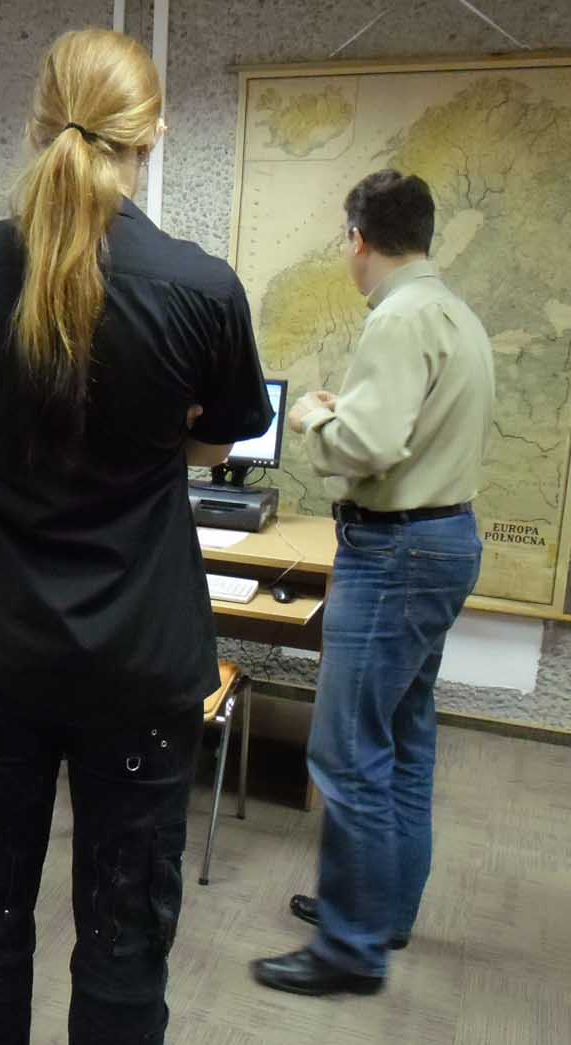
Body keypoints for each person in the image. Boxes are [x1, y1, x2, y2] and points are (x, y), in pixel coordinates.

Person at [0, 29, 273, 1045]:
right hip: (137, 657)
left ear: (35, 124)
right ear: (152, 133)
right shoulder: (199, 287)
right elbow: (219, 438)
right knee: (122, 934)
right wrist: (164, 432)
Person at [252, 170, 494, 997]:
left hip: (395, 553)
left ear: (358, 238)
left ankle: (350, 949)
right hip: (443, 542)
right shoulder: (454, 313)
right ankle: (380, 911)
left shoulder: (397, 318)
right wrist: (347, 415)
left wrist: (314, 416)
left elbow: (368, 446)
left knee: (347, 749)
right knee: (404, 736)